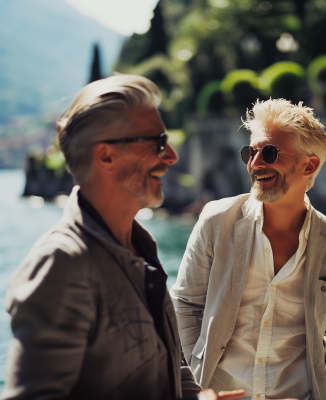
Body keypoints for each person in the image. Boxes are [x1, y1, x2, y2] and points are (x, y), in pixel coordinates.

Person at [1, 75, 245, 400]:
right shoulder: (61, 265)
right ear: (106, 157)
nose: (171, 156)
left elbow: (166, 366)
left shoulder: (139, 248)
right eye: (158, 143)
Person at [170, 99, 326, 400]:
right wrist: (198, 384)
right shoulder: (216, 220)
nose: (255, 163)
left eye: (269, 152)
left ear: (309, 165)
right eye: (251, 151)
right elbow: (185, 304)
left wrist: (312, 384)